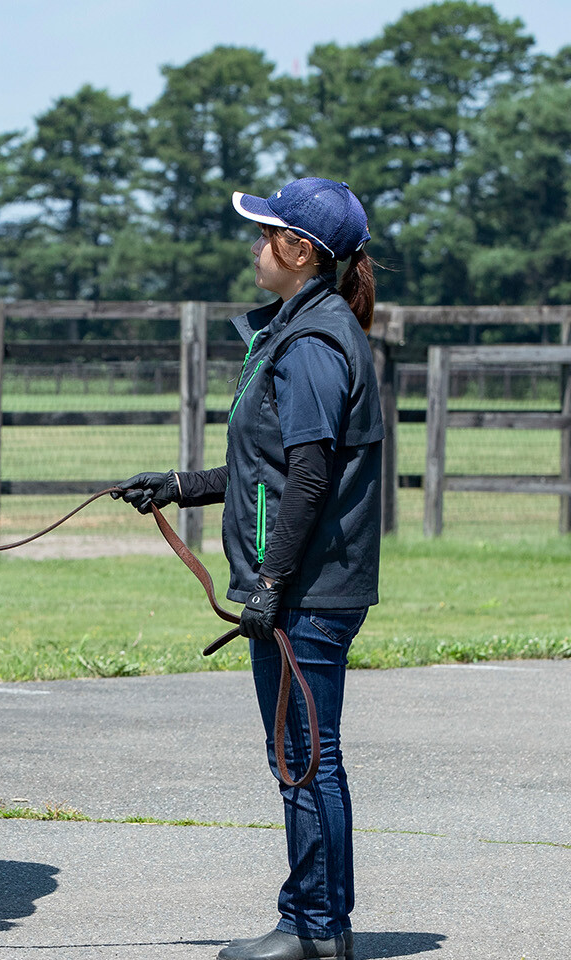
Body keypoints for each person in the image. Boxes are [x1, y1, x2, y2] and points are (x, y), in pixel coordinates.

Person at [115, 177, 383, 960]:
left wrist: (270, 583)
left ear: (301, 252)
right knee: (304, 754)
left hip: (308, 590)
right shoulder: (301, 330)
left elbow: (308, 477)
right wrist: (180, 486)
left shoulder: (313, 344)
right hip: (305, 582)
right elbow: (269, 466)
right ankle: (316, 923)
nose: (254, 244)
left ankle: (317, 928)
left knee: (306, 757)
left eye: (265, 233)